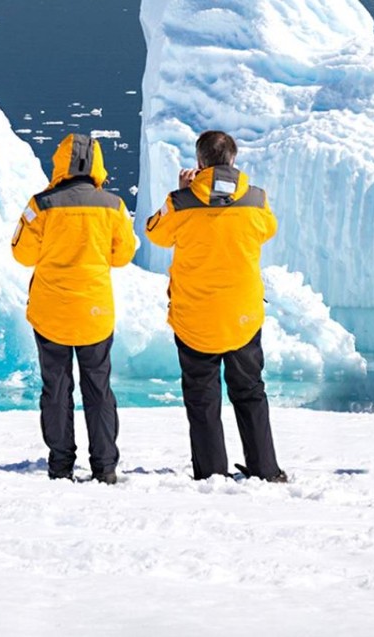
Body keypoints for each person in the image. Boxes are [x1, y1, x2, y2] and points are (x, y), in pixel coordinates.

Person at [145, 130, 287, 483]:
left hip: (195, 318)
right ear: (233, 160)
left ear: (199, 163)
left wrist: (178, 192)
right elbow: (269, 229)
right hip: (242, 315)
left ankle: (211, 473)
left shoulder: (180, 203)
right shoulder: (256, 200)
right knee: (250, 392)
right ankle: (265, 470)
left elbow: (154, 232)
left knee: (202, 397)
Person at [11, 133, 137, 484]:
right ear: (96, 163)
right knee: (98, 388)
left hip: (51, 311)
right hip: (95, 312)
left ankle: (61, 464)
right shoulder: (113, 206)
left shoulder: (40, 205)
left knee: (56, 388)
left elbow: (22, 254)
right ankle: (105, 467)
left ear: (60, 160)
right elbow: (123, 255)